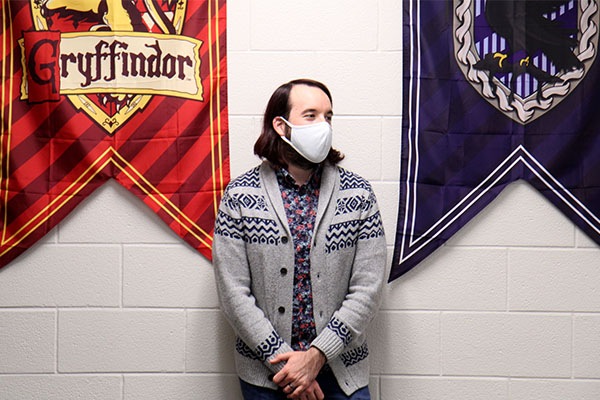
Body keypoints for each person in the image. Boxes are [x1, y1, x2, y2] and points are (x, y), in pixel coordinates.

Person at [213, 79, 386, 400]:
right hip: (267, 374)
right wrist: (287, 365)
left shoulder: (359, 194)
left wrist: (317, 355)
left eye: (328, 117)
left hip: (342, 372)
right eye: (311, 115)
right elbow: (232, 291)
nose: (323, 125)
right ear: (281, 125)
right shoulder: (239, 195)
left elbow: (369, 287)